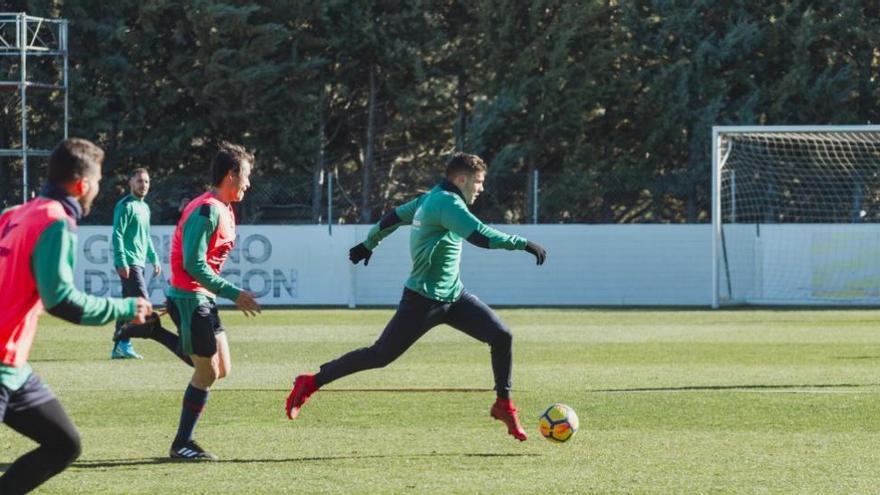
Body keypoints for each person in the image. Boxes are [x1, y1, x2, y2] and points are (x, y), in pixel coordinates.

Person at [285, 152, 547, 441]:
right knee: (380, 355)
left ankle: (503, 404)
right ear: (462, 179)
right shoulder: (447, 203)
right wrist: (523, 243)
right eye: (479, 182)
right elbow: (481, 237)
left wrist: (369, 243)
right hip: (422, 300)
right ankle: (310, 382)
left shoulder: (429, 198)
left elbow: (392, 218)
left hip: (455, 297)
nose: (481, 188)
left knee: (502, 336)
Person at [0, 138, 152, 494]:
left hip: (13, 367)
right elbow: (62, 301)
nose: (98, 190)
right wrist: (126, 307)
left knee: (64, 444)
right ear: (82, 184)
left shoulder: (14, 214)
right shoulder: (55, 221)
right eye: (97, 181)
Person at [116, 141, 260, 460]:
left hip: (202, 296)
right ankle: (182, 443)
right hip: (189, 297)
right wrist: (235, 293)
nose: (249, 183)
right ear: (231, 174)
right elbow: (193, 265)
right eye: (246, 175)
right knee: (206, 372)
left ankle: (154, 332)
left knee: (220, 369)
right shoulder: (207, 209)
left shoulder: (224, 208)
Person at [110, 167, 161, 359]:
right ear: (131, 182)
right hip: (128, 262)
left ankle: (120, 346)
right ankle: (124, 342)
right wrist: (121, 261)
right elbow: (117, 234)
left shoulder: (144, 207)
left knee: (128, 305)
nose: (144, 185)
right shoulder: (125, 205)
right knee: (143, 303)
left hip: (138, 263)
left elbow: (146, 237)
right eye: (140, 181)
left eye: (146, 181)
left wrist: (154, 258)